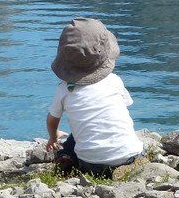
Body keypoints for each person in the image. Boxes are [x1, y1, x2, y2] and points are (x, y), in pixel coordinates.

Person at [44, 17, 145, 178]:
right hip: (129, 155)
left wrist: (53, 136)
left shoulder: (64, 89)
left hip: (91, 164)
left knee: (75, 138)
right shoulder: (114, 81)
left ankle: (66, 156)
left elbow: (52, 119)